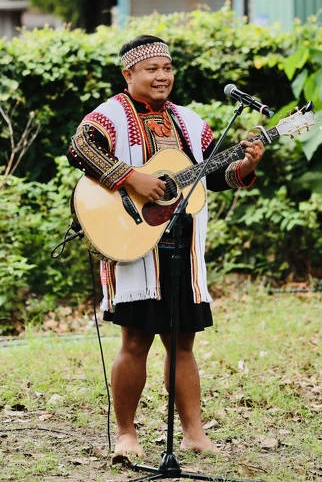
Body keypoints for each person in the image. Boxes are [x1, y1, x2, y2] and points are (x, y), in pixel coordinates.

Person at [66, 35, 265, 458]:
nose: (162, 76)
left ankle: (194, 433)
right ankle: (125, 434)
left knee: (182, 342)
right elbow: (81, 147)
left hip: (183, 244)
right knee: (135, 340)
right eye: (152, 69)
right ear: (129, 74)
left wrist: (245, 166)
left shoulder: (191, 122)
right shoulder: (111, 115)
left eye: (167, 68)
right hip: (132, 241)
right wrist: (131, 177)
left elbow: (213, 173)